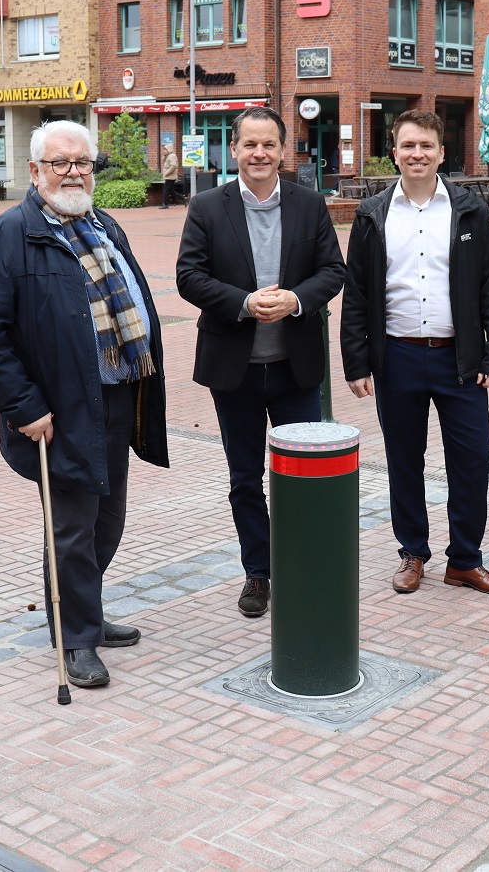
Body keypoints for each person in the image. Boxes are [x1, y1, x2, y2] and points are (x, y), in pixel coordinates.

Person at [0, 120, 169, 689]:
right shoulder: (7, 236)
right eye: (61, 163)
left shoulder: (103, 225)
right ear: (35, 171)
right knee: (72, 528)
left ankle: (85, 611)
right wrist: (23, 407)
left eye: (83, 163)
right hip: (61, 409)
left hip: (120, 394)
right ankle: (75, 638)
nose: (74, 173)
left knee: (108, 520)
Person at [176, 106, 347, 619]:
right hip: (236, 371)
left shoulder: (309, 203)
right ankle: (260, 571)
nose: (259, 154)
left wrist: (295, 299)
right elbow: (189, 275)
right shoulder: (207, 206)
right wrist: (243, 303)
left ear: (282, 150)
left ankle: (303, 563)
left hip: (296, 370)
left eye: (268, 144)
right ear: (234, 150)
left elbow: (333, 270)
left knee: (302, 474)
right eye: (249, 144)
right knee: (245, 479)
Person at [340, 109, 489, 597]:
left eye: (427, 147)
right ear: (393, 152)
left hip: (459, 362)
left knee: (472, 459)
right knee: (404, 460)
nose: (418, 154)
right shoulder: (371, 214)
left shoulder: (469, 211)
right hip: (395, 358)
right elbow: (356, 294)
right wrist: (356, 361)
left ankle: (465, 560)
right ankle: (412, 552)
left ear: (442, 153)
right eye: (408, 146)